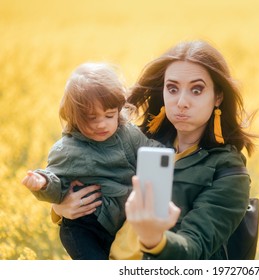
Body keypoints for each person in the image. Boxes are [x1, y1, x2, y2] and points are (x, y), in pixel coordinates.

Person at [53, 40, 258, 260]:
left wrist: (155, 240)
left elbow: (196, 247)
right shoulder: (137, 142)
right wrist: (61, 208)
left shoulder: (228, 172)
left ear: (217, 97)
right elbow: (97, 185)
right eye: (172, 88)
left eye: (196, 90)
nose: (181, 102)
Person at [21, 62, 161, 260]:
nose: (102, 124)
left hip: (116, 224)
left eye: (109, 115)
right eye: (91, 118)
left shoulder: (128, 133)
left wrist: (170, 155)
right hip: (84, 229)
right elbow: (57, 183)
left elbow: (150, 149)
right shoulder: (68, 150)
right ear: (74, 117)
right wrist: (42, 182)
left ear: (118, 110)